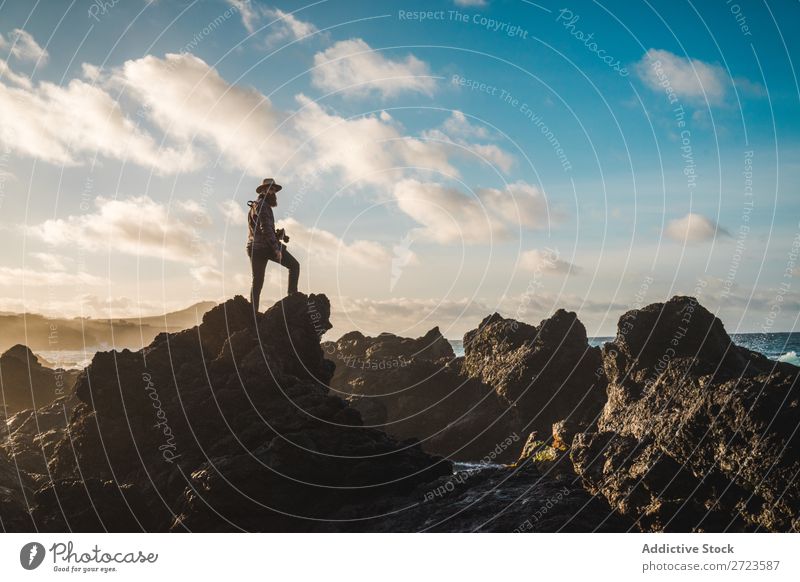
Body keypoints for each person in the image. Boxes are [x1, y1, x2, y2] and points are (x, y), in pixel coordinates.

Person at [246, 178, 300, 313]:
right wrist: (276, 249)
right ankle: (292, 299)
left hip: (253, 247)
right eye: (271, 189)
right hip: (264, 247)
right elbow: (265, 229)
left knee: (257, 281)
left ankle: (253, 314)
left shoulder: (255, 205)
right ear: (264, 190)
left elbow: (259, 229)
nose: (274, 192)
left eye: (275, 190)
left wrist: (278, 235)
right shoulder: (263, 206)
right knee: (294, 266)